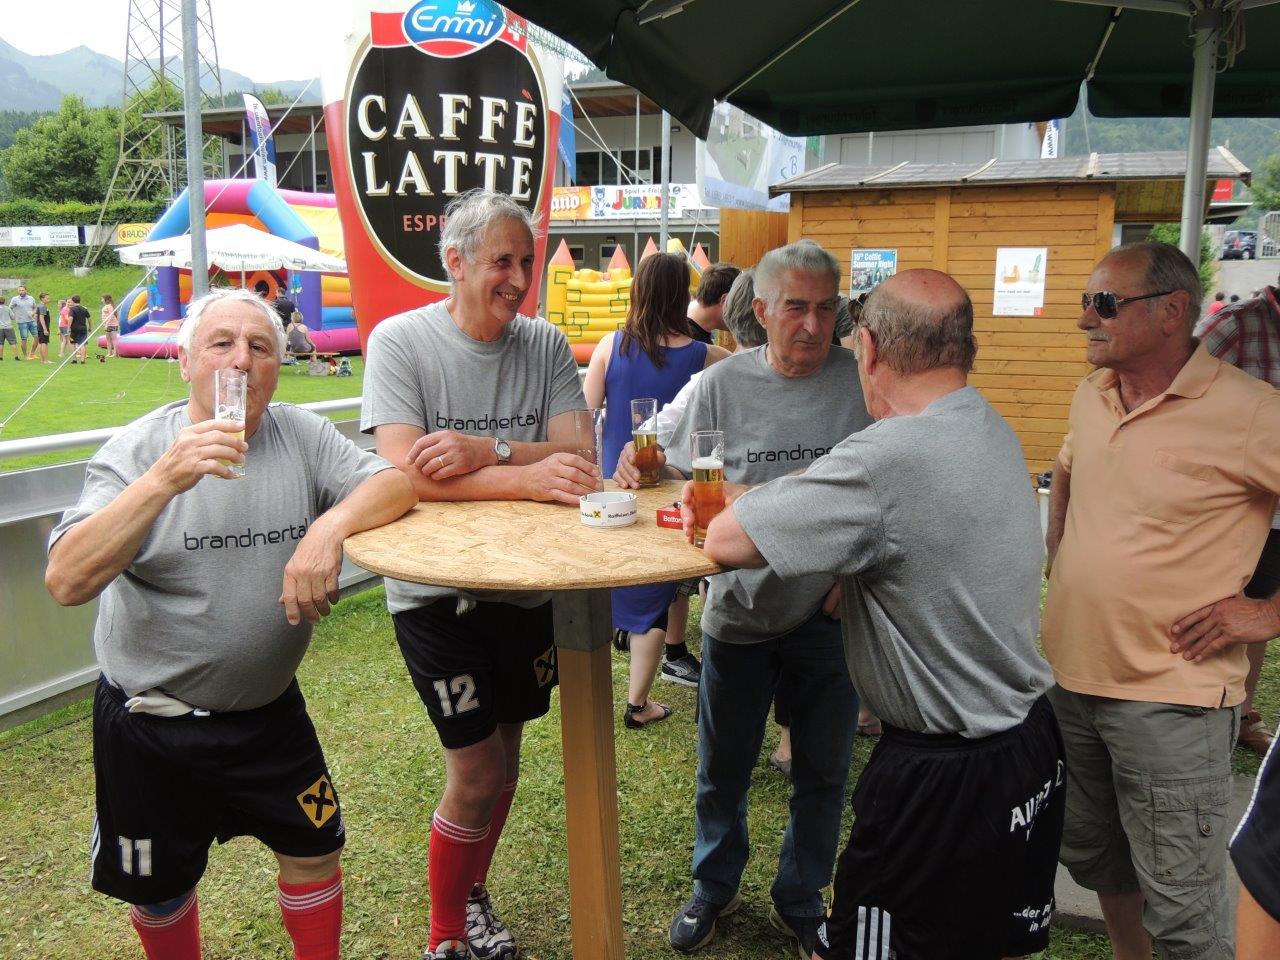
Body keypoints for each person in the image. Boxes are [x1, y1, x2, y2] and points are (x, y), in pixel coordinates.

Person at [687, 268, 1062, 960]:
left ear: (870, 350)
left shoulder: (884, 458)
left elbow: (726, 539)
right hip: (1024, 746)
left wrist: (758, 491)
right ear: (965, 349)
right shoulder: (986, 424)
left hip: (940, 773)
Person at [44, 287, 416, 960]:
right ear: (185, 361)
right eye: (221, 344)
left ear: (278, 365)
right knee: (160, 889)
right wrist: (164, 479)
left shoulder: (299, 434)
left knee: (315, 848)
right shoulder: (137, 451)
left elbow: (396, 483)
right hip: (153, 723)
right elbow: (67, 580)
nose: (241, 360)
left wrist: (329, 527)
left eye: (260, 346)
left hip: (269, 714)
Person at [361, 189, 599, 960]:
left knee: (505, 757)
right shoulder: (400, 341)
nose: (520, 278)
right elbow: (401, 475)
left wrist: (483, 450)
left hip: (527, 587)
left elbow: (582, 457)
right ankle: (445, 935)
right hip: (436, 591)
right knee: (477, 767)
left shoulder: (546, 344)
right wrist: (528, 474)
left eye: (526, 261)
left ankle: (471, 893)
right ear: (455, 262)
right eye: (503, 261)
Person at [617, 239, 870, 958]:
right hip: (737, 610)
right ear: (760, 310)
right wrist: (639, 461)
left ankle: (802, 898)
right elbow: (661, 461)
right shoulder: (720, 384)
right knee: (722, 770)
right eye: (796, 308)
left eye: (827, 309)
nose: (814, 325)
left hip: (827, 613)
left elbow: (888, 490)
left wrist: (851, 577)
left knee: (823, 773)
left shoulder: (862, 383)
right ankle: (714, 886)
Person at [1043, 241, 1280, 960]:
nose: (1085, 319)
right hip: (1072, 681)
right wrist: (1061, 548)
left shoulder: (1249, 411)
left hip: (1171, 698)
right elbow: (1067, 463)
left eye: (1105, 304)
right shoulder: (1094, 392)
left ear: (1173, 311)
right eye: (1085, 302)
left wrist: (1266, 615)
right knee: (1098, 859)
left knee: (1183, 906)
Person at [584, 252, 730, 726]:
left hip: (616, 484)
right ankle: (641, 697)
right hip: (672, 487)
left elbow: (586, 413)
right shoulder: (705, 355)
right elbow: (749, 370)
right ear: (680, 295)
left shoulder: (609, 346)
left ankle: (632, 658)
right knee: (663, 584)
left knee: (627, 578)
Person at [1195, 281, 1280, 756]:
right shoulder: (1236, 325)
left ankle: (1241, 713)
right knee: (1212, 608)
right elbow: (1174, 395)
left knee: (1258, 610)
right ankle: (1202, 717)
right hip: (1230, 509)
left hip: (1276, 512)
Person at [686, 262, 741, 344]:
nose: (742, 313)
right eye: (741, 305)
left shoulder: (683, 325)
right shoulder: (690, 341)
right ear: (725, 301)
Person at [11, 284, 37, 360]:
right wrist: (14, 316)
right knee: (24, 339)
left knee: (37, 337)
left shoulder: (31, 298)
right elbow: (10, 308)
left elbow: (35, 307)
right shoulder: (15, 299)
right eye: (19, 290)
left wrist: (33, 312)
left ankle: (32, 353)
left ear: (26, 290)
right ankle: (25, 356)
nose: (21, 292)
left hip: (32, 321)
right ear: (18, 291)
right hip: (22, 322)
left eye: (22, 290)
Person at [68, 295, 91, 363]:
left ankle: (74, 359)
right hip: (83, 328)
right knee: (82, 344)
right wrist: (90, 327)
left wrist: (68, 327)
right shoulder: (84, 309)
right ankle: (82, 360)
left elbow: (70, 318)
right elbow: (89, 318)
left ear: (73, 301)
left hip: (74, 328)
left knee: (73, 343)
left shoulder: (72, 309)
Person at [33, 292, 52, 364]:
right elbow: (41, 318)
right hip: (43, 327)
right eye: (47, 298)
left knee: (41, 343)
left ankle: (42, 359)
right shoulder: (43, 307)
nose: (49, 300)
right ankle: (46, 360)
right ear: (42, 299)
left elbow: (35, 315)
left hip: (39, 327)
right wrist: (45, 329)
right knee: (44, 343)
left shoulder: (39, 306)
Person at [102, 293, 120, 359]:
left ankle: (115, 353)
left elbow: (111, 315)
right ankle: (109, 352)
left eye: (102, 299)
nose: (101, 300)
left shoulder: (109, 306)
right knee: (108, 339)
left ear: (106, 299)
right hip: (107, 324)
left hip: (112, 324)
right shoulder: (106, 306)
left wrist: (107, 324)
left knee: (113, 339)